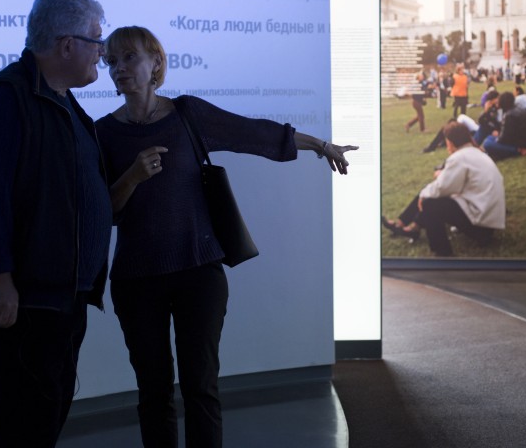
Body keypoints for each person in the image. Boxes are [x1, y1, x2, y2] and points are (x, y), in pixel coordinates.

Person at [94, 26, 357, 448]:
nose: (118, 69)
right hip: (137, 279)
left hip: (199, 273)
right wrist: (132, 177)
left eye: (129, 58)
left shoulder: (187, 114)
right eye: (111, 61)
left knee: (200, 386)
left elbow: (253, 134)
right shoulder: (102, 133)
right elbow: (105, 213)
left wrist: (321, 145)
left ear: (156, 62)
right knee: (153, 391)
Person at [0, 0, 112, 447]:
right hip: (22, 302)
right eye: (96, 41)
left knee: (46, 414)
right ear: (67, 45)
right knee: (20, 425)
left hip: (61, 297)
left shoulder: (62, 101)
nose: (102, 52)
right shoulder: (6, 98)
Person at [382, 121, 505, 256]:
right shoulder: (477, 153)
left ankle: (442, 253)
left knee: (430, 202)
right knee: (431, 193)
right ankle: (409, 226)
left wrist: (424, 194)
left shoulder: (459, 158)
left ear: (450, 142)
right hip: (488, 224)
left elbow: (442, 188)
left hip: (481, 228)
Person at [482, 91, 526, 161]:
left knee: (487, 143)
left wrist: (498, 137)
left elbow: (503, 139)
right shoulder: (522, 109)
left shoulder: (508, 115)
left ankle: (518, 150)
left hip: (522, 144)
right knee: (490, 138)